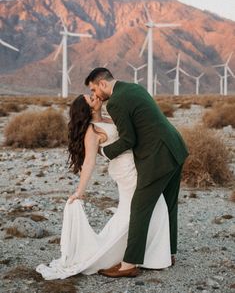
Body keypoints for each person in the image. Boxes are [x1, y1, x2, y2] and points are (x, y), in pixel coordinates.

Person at [36, 93, 171, 280]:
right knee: (141, 209)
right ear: (87, 108)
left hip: (136, 165)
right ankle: (135, 257)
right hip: (126, 171)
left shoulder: (108, 118)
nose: (95, 96)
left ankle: (151, 257)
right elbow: (89, 162)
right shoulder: (92, 131)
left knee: (152, 206)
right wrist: (79, 192)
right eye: (91, 98)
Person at [84, 68, 189, 278]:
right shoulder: (132, 88)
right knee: (168, 204)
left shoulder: (115, 102)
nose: (95, 95)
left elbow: (127, 139)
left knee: (140, 207)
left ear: (102, 83)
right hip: (176, 147)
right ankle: (168, 253)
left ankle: (129, 264)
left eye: (94, 89)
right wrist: (98, 112)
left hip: (158, 156)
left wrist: (104, 151)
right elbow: (131, 125)